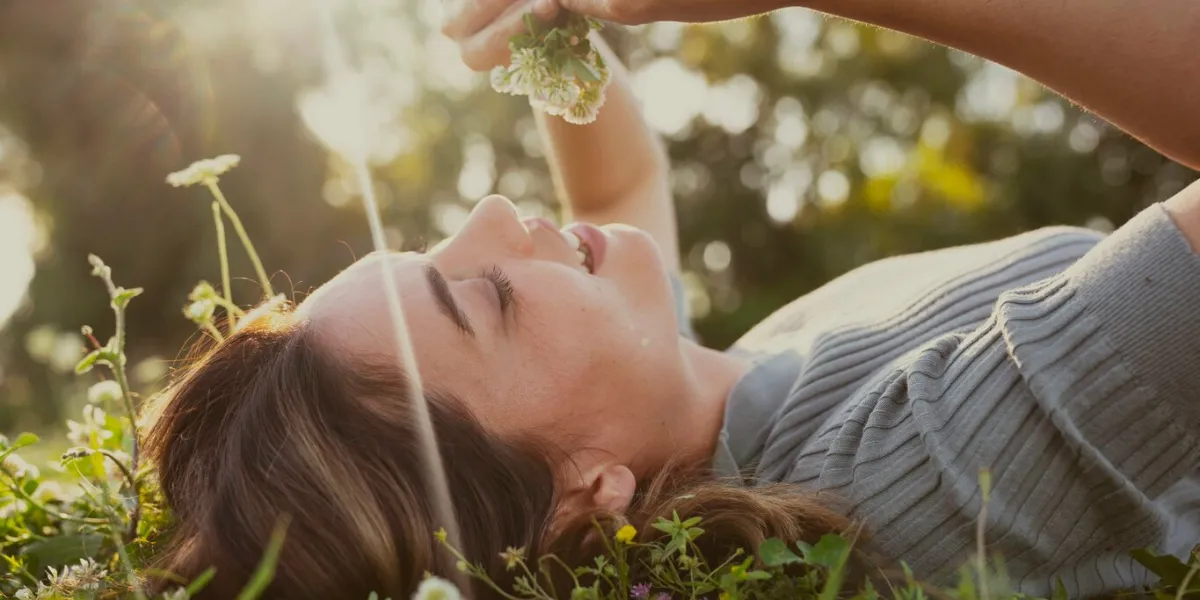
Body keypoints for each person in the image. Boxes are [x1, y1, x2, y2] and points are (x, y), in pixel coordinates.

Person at [143, 0, 1200, 597]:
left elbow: (613, 190)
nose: (497, 210)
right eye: (486, 297)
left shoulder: (696, 421)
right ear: (584, 495)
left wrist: (544, 27)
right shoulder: (887, 498)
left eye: (432, 246)